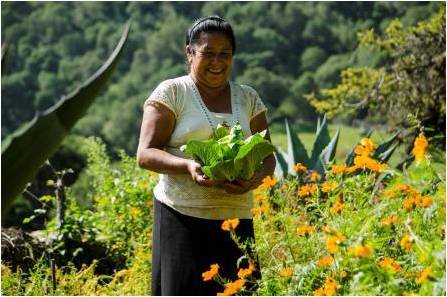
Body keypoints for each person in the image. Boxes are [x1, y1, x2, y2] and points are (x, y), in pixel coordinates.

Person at [137, 15, 276, 296]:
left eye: (225, 54)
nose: (217, 62)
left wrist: (253, 181)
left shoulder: (247, 98)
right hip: (181, 217)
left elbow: (267, 156)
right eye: (207, 53)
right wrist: (188, 165)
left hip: (236, 221)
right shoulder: (172, 92)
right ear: (189, 53)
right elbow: (145, 153)